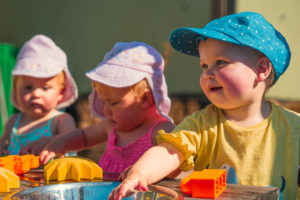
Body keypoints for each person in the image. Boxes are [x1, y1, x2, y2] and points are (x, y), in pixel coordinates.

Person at [109, 12, 299, 200]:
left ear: (262, 69)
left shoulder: (294, 128)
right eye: (204, 66)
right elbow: (169, 152)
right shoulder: (202, 125)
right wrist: (141, 173)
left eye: (220, 63)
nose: (208, 73)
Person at [39, 41, 174, 179]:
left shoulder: (161, 131)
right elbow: (83, 137)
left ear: (145, 98)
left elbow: (175, 162)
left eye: (113, 103)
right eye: (104, 101)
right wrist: (61, 143)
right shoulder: (110, 127)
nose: (106, 110)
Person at [0, 34, 78, 155]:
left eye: (45, 88)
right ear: (15, 90)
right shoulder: (13, 122)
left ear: (60, 93)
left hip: (51, 174)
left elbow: (73, 144)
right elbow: (3, 146)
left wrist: (54, 142)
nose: (36, 94)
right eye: (28, 87)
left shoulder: (60, 120)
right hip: (14, 174)